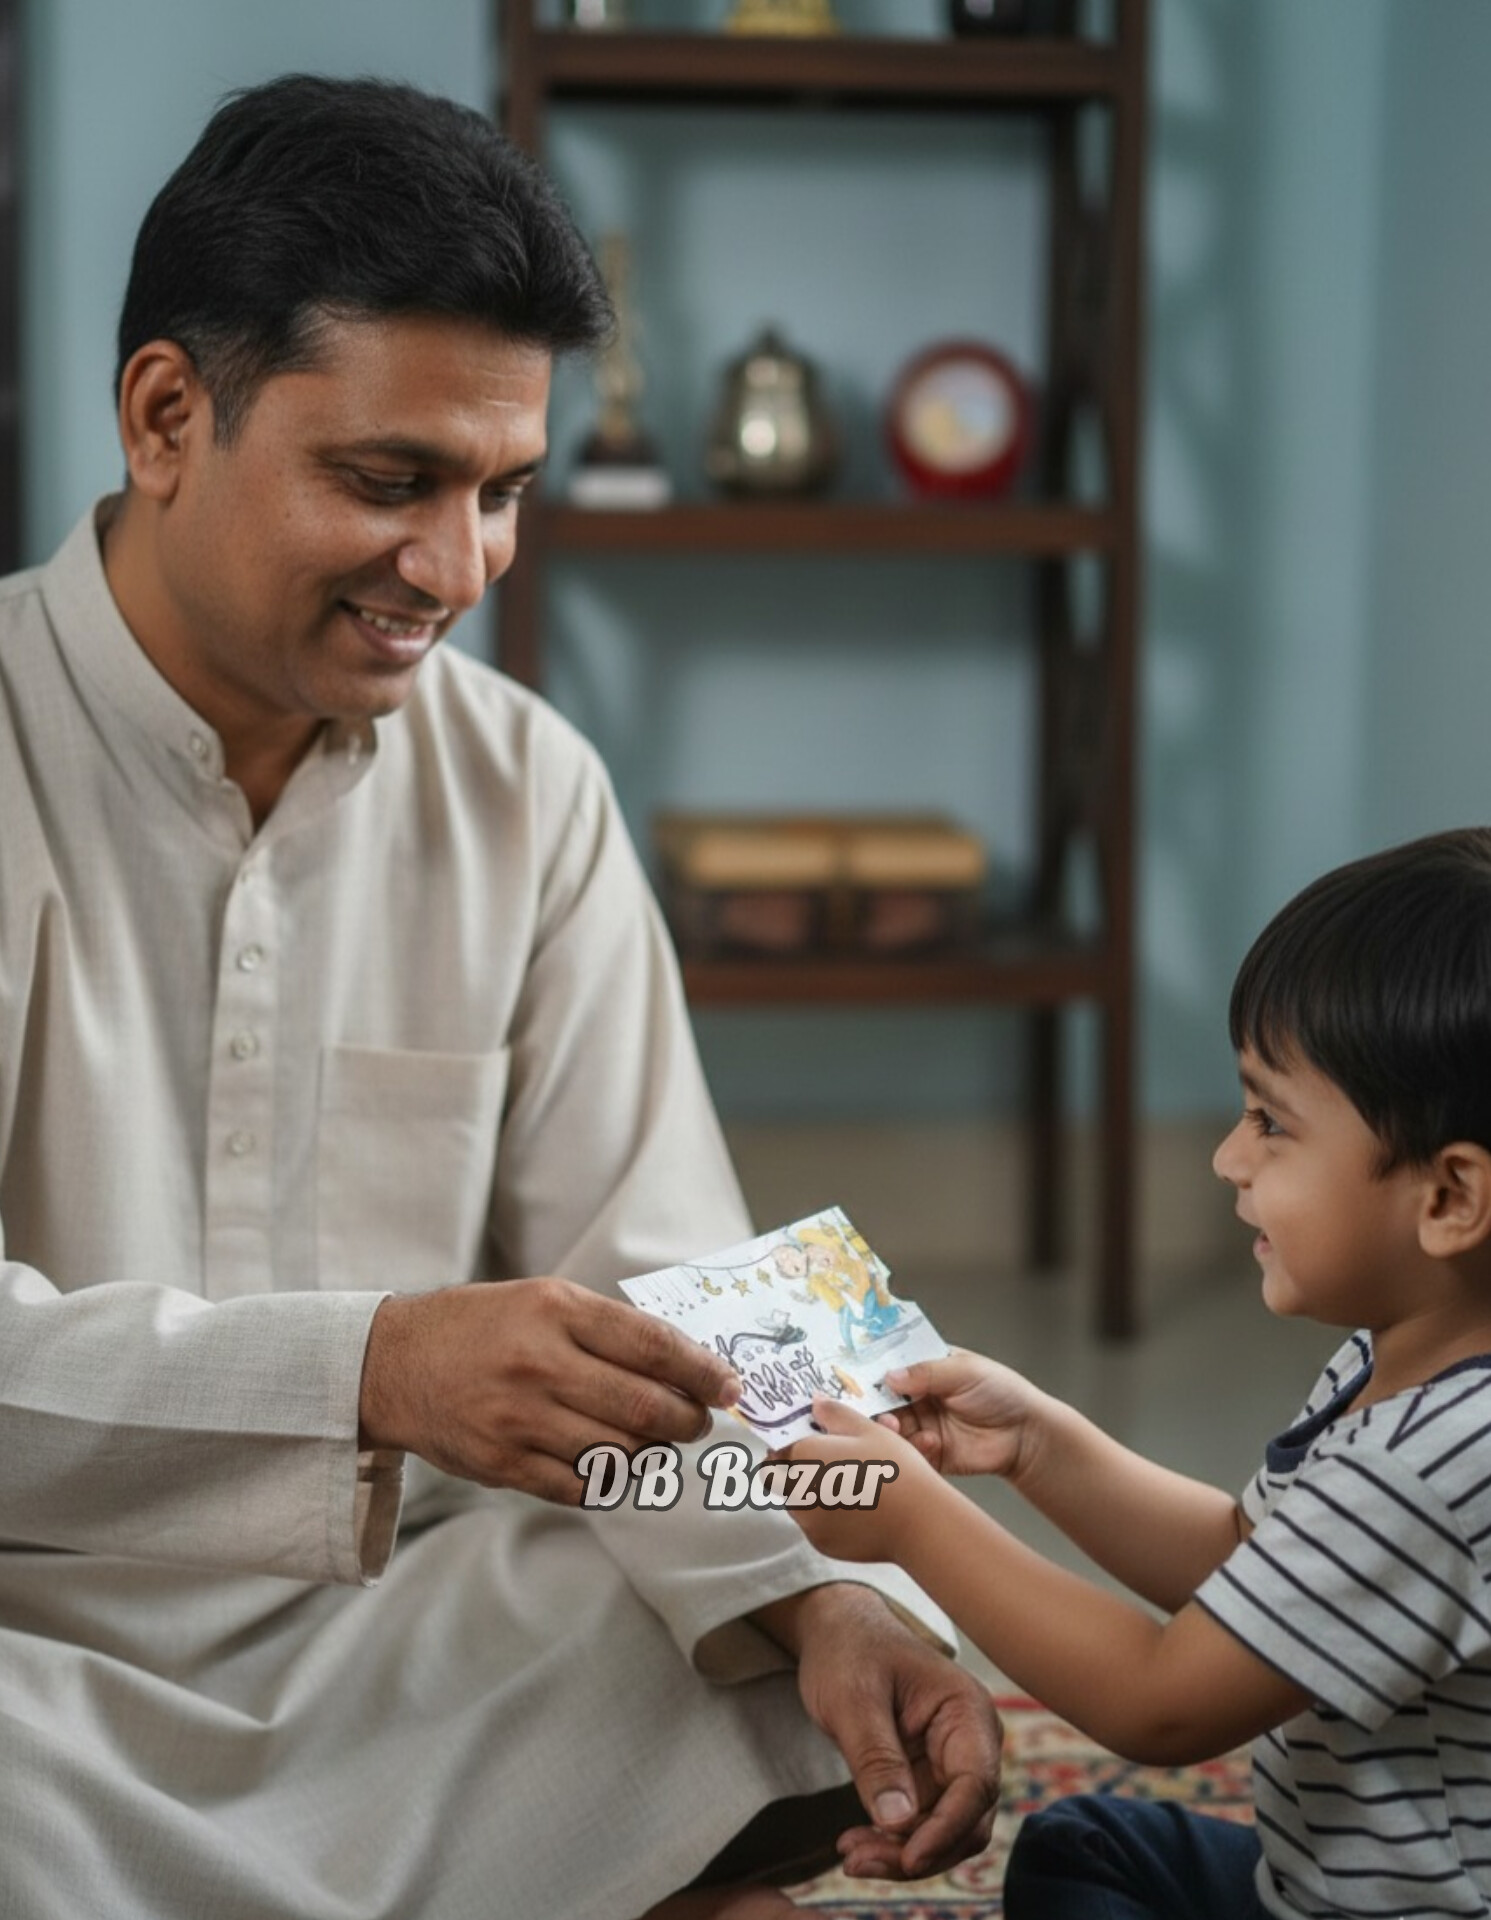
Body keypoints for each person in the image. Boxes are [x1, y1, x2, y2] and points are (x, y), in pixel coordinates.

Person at [0, 74, 1004, 1920]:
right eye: (389, 484)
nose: (457, 570)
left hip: (405, 1616)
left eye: (503, 492)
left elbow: (697, 1279)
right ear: (164, 416)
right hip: (27, 1636)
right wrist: (371, 1365)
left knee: (770, 1663)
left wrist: (845, 1594)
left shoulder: (532, 782)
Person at [782, 827, 1491, 1920]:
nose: (1226, 1157)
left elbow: (1167, 1704)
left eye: (1270, 1123)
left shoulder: (1438, 1463)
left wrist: (911, 1521)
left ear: (1450, 1199)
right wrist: (1037, 1445)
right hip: (1320, 1887)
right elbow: (1249, 1573)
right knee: (1089, 1846)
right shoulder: (1402, 1360)